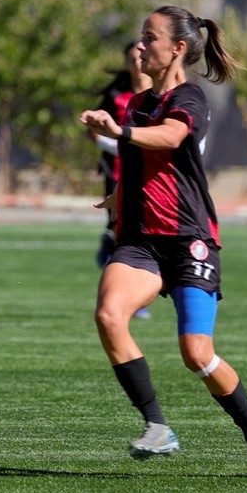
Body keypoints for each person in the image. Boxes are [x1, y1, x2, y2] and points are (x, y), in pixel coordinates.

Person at [78, 5, 247, 478]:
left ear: (178, 49)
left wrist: (119, 130)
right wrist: (117, 197)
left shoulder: (191, 99)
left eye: (150, 38)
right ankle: (157, 426)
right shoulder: (137, 103)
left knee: (197, 354)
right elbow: (143, 164)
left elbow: (169, 138)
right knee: (109, 315)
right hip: (142, 242)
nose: (139, 46)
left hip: (190, 241)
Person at [92, 40, 153, 319]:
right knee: (125, 229)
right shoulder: (118, 96)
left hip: (151, 176)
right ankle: (131, 299)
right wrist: (119, 146)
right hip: (117, 173)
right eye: (131, 59)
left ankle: (112, 250)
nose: (137, 64)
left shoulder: (162, 97)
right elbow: (94, 131)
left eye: (141, 57)